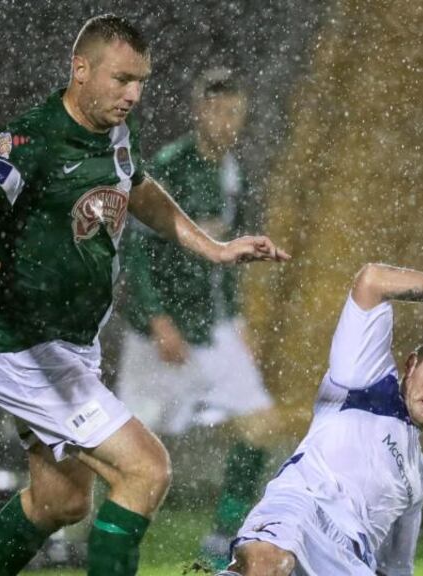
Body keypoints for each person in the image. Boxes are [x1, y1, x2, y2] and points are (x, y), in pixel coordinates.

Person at [0, 14, 288, 576]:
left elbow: (139, 190)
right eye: (121, 79)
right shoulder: (32, 139)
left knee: (61, 501)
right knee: (146, 469)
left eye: (141, 82)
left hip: (71, 347)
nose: (133, 95)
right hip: (24, 347)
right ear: (80, 70)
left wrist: (214, 248)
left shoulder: (118, 133)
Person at [217, 263, 423, 576]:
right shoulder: (365, 379)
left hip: (349, 561)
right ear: (411, 364)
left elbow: (396, 567)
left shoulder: (418, 477)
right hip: (301, 509)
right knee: (269, 560)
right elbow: (373, 280)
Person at [116, 67, 277, 568]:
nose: (228, 121)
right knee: (124, 450)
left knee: (259, 426)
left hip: (213, 328)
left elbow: (230, 256)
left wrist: (239, 320)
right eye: (219, 110)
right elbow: (137, 251)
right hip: (157, 334)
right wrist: (158, 317)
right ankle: (99, 538)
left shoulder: (234, 173)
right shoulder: (170, 166)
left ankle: (224, 535)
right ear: (199, 110)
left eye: (236, 112)